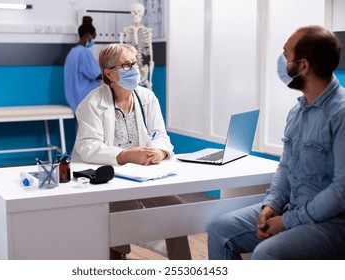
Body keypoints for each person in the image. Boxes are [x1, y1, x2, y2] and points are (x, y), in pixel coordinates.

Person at [207, 25, 345, 260]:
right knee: (219, 229)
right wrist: (270, 206)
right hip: (292, 208)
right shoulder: (297, 111)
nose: (282, 62)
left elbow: (341, 191)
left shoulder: (340, 114)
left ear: (303, 65)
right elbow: (286, 167)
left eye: (286, 54)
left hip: (332, 223)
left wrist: (287, 221)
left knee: (265, 254)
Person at [71, 43, 192, 260]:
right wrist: (126, 155)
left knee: (175, 209)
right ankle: (117, 259)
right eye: (125, 65)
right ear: (109, 73)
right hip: (107, 179)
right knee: (119, 213)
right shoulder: (92, 104)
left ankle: (182, 265)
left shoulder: (147, 98)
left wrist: (160, 153)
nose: (134, 69)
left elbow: (161, 136)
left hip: (142, 176)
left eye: (134, 63)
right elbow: (88, 147)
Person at [64, 16, 102, 112]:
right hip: (83, 96)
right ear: (88, 36)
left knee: (82, 125)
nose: (93, 40)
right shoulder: (84, 53)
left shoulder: (72, 52)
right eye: (93, 37)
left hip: (73, 97)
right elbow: (97, 75)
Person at [120, 3, 154, 90]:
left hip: (142, 69)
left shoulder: (147, 31)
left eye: (138, 12)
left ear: (142, 13)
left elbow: (151, 59)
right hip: (130, 67)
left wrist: (150, 80)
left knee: (147, 87)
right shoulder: (126, 31)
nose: (136, 14)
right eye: (134, 12)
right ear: (131, 13)